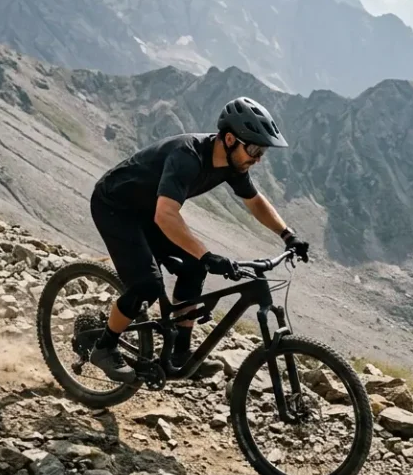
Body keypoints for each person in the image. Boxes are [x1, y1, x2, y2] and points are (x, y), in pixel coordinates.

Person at [80, 96, 309, 382]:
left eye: (262, 150)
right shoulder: (186, 157)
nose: (258, 157)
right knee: (147, 285)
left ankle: (180, 352)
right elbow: (166, 216)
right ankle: (105, 346)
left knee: (193, 266)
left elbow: (255, 201)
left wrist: (288, 235)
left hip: (150, 211)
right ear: (229, 139)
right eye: (254, 148)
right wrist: (207, 254)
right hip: (115, 206)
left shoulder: (232, 164)